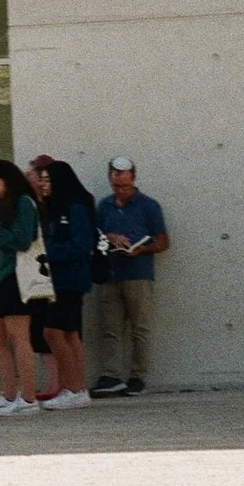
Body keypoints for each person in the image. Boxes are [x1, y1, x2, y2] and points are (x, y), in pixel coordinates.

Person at [91, 155, 167, 398]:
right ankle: (111, 375)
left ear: (133, 179)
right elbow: (94, 237)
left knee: (139, 328)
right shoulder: (104, 206)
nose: (120, 190)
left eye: (124, 185)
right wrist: (111, 237)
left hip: (138, 274)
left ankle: (137, 376)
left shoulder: (149, 206)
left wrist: (141, 249)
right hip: (111, 273)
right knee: (110, 328)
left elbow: (163, 241)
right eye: (116, 185)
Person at [0, 160, 43, 416]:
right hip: (5, 277)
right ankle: (10, 393)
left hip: (17, 276)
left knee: (18, 336)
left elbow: (23, 240)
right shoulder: (6, 205)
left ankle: (28, 398)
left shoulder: (24, 202)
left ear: (9, 182)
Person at [29, 157, 98, 410]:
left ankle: (74, 388)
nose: (43, 185)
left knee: (53, 331)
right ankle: (77, 390)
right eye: (42, 180)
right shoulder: (52, 208)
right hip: (58, 279)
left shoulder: (75, 207)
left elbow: (82, 244)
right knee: (69, 334)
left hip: (70, 279)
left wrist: (50, 253)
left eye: (48, 180)